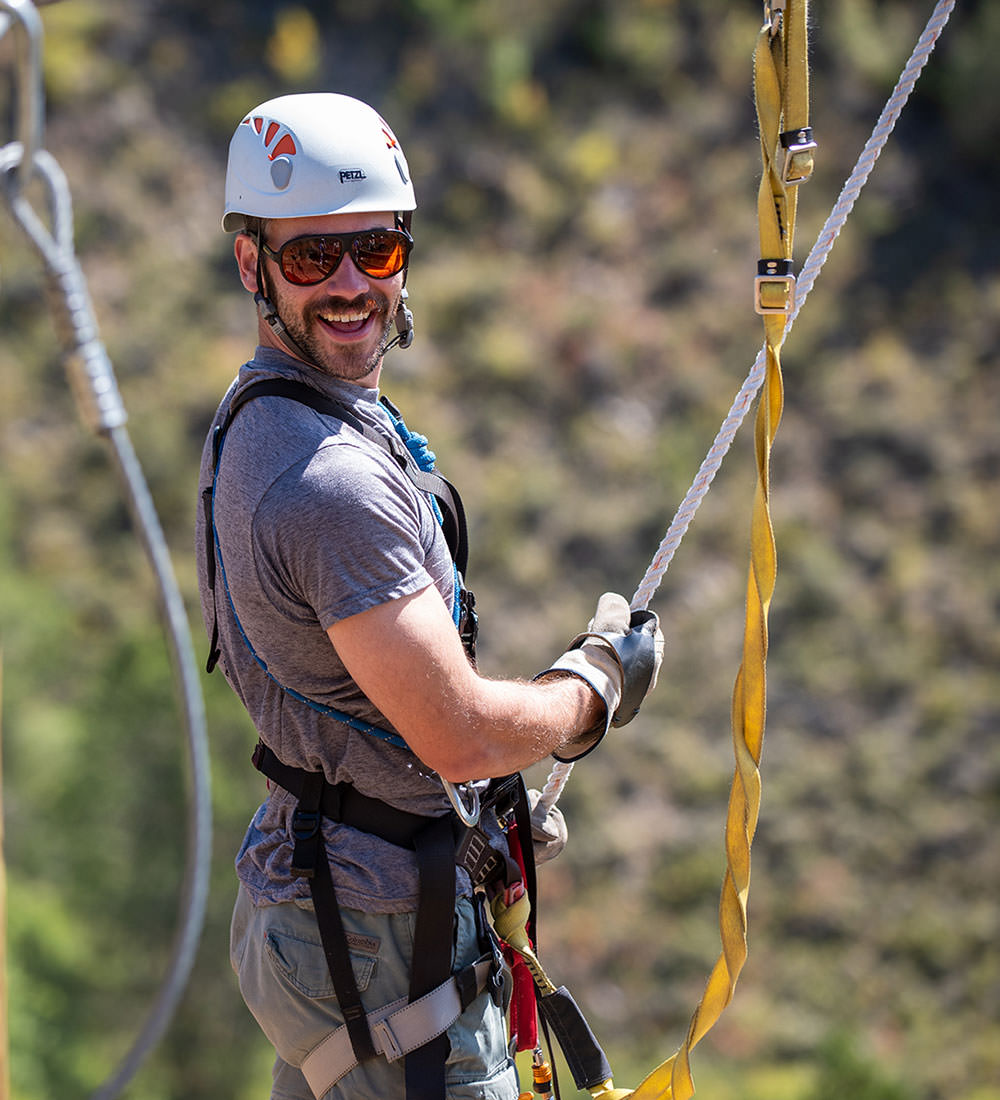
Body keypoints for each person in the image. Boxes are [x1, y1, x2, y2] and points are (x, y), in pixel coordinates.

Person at [195, 92, 663, 1100]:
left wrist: (477, 810)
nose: (352, 284)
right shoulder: (321, 478)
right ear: (253, 266)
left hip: (338, 896)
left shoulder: (279, 415)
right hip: (377, 937)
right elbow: (453, 731)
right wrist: (588, 692)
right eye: (313, 257)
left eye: (376, 249)